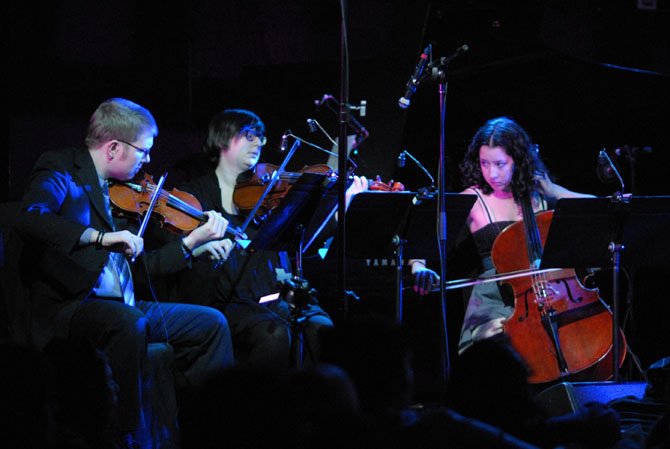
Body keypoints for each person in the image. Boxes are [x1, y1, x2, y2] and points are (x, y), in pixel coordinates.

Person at [12, 97, 234, 448]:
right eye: (143, 151)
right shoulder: (61, 168)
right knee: (128, 323)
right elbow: (30, 219)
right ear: (113, 148)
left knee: (211, 324)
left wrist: (193, 243)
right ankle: (121, 434)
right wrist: (100, 237)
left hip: (126, 306)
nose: (148, 160)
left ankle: (211, 429)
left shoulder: (125, 193)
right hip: (72, 307)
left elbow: (150, 267)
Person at [168, 108, 346, 369]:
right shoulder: (195, 195)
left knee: (321, 328)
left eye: (261, 137)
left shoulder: (266, 194)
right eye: (249, 135)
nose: (260, 142)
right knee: (272, 334)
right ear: (222, 139)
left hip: (272, 296)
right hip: (226, 301)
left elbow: (299, 242)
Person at [457, 116, 594, 354]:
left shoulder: (537, 196)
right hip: (494, 299)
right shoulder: (473, 198)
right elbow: (427, 231)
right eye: (484, 163)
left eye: (500, 164)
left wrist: (553, 192)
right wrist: (418, 266)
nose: (492, 173)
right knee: (497, 346)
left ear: (517, 161)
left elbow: (596, 208)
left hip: (544, 294)